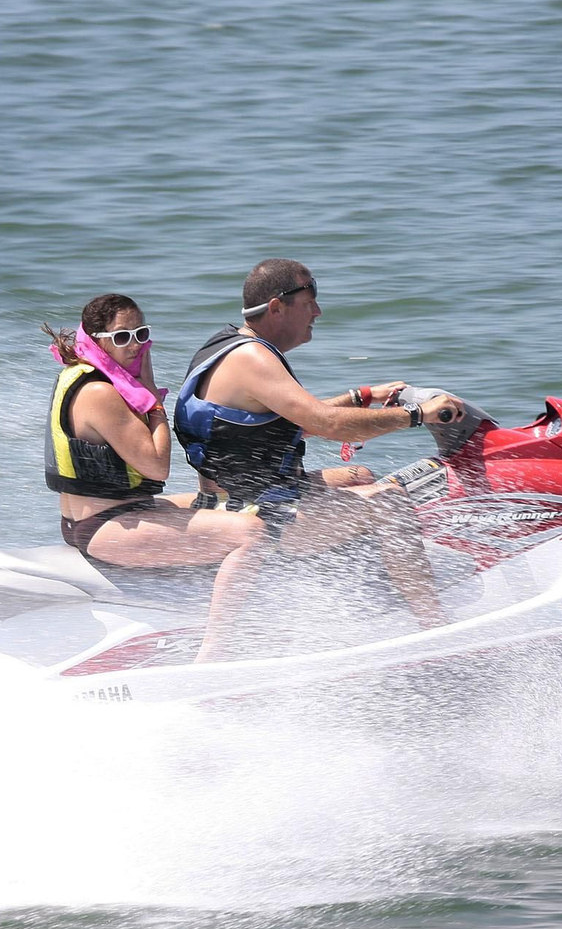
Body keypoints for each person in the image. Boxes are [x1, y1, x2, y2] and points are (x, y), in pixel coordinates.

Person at [174, 259, 464, 659]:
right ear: (277, 307)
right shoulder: (253, 359)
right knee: (392, 503)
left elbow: (289, 422)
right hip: (254, 513)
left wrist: (363, 396)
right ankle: (437, 633)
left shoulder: (226, 345)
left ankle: (372, 584)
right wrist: (418, 414)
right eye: (310, 300)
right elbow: (328, 424)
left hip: (245, 495)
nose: (318, 311)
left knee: (358, 474)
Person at [42, 293, 266, 646]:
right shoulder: (100, 392)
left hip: (117, 513)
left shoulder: (84, 374)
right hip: (104, 526)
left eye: (140, 334)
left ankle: (195, 619)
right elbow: (157, 466)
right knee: (250, 533)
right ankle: (218, 648)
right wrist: (154, 401)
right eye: (121, 337)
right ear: (97, 340)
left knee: (218, 500)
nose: (134, 345)